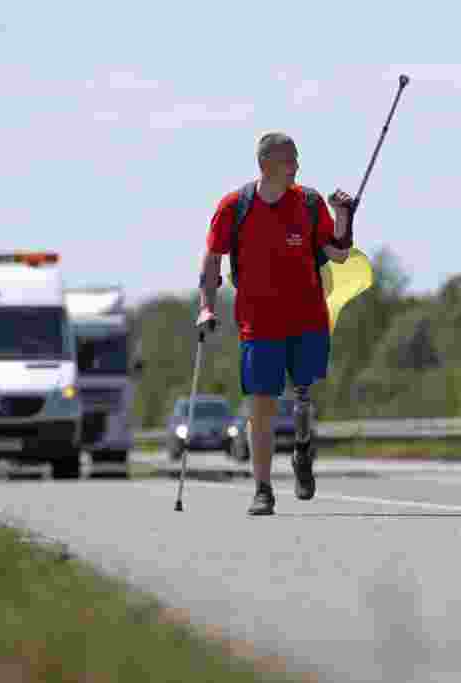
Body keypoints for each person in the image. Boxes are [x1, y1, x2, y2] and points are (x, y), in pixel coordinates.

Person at [197, 132, 354, 515]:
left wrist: (343, 215)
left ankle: (301, 452)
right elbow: (213, 258)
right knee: (261, 407)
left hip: (307, 319)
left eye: (297, 160)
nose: (297, 167)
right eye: (291, 161)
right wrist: (206, 307)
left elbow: (339, 252)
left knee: (302, 396)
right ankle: (263, 489)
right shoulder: (235, 207)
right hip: (258, 323)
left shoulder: (310, 202)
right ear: (267, 165)